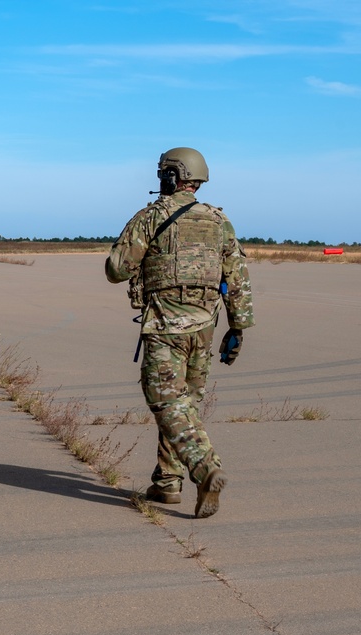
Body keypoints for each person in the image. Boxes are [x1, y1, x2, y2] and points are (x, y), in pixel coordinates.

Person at [105, 148, 254, 518]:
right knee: (185, 402)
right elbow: (237, 280)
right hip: (205, 325)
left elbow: (117, 269)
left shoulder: (151, 216)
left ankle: (204, 468)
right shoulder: (220, 221)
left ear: (169, 177)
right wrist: (237, 329)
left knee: (165, 398)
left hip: (167, 325)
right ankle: (167, 480)